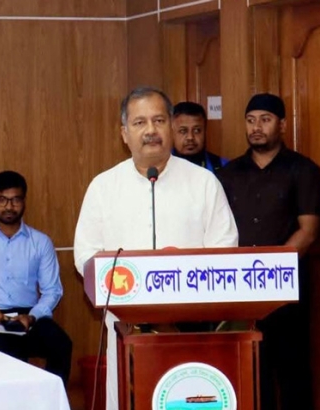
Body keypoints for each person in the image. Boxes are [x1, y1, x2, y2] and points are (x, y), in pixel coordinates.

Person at [73, 87, 238, 410]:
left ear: (171, 126)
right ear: (124, 134)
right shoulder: (104, 187)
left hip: (192, 327)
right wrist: (126, 284)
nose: (150, 130)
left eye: (159, 120)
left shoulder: (204, 183)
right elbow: (85, 255)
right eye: (139, 123)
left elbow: (225, 247)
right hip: (127, 327)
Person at [217, 93, 320, 410]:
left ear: (282, 124)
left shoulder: (303, 170)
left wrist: (270, 271)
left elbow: (308, 230)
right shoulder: (228, 175)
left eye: (265, 120)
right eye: (251, 120)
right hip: (239, 290)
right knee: (250, 370)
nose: (256, 127)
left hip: (287, 289)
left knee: (292, 371)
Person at [0, 171, 72, 385]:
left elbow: (52, 291)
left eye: (15, 200)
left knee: (61, 343)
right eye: (2, 200)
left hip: (29, 318)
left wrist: (32, 317)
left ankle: (51, 399)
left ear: (24, 201)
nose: (9, 206)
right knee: (1, 351)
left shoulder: (40, 242)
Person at [172, 101, 229, 173]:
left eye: (197, 130)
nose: (190, 137)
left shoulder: (224, 167)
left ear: (205, 131)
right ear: (171, 133)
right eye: (183, 131)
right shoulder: (161, 167)